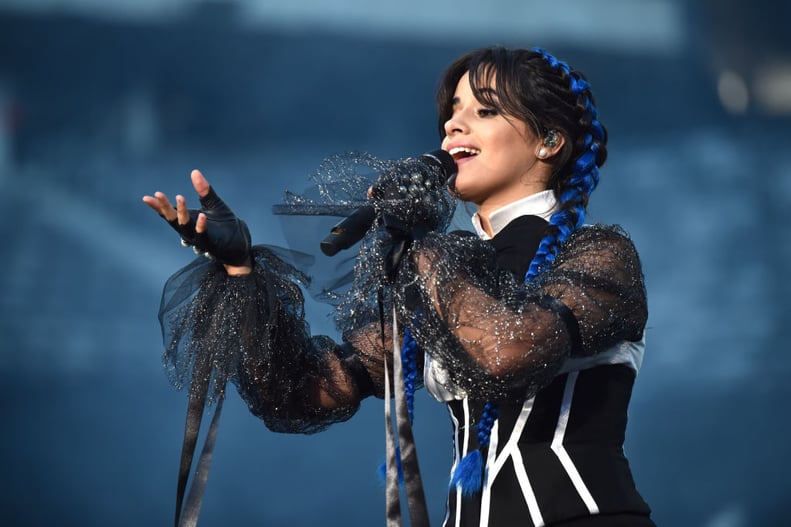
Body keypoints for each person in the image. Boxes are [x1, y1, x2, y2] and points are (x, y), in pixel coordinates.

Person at [144, 46, 654, 527]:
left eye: (485, 111)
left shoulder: (598, 256)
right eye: (453, 110)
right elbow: (302, 393)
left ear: (549, 141)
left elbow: (505, 350)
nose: (453, 124)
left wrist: (418, 244)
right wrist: (242, 272)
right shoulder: (442, 275)